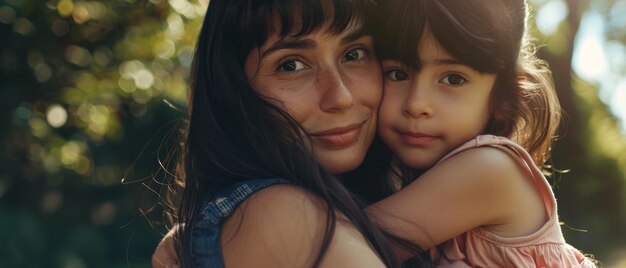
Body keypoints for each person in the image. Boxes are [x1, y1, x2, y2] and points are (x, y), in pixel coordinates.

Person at [151, 0, 426, 267]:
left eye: (354, 54)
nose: (341, 97)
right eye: (291, 65)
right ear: (232, 91)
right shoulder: (278, 213)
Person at [366, 0, 598, 266]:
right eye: (397, 74)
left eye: (453, 79)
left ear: (502, 98)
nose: (416, 104)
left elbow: (337, 244)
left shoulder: (491, 168)